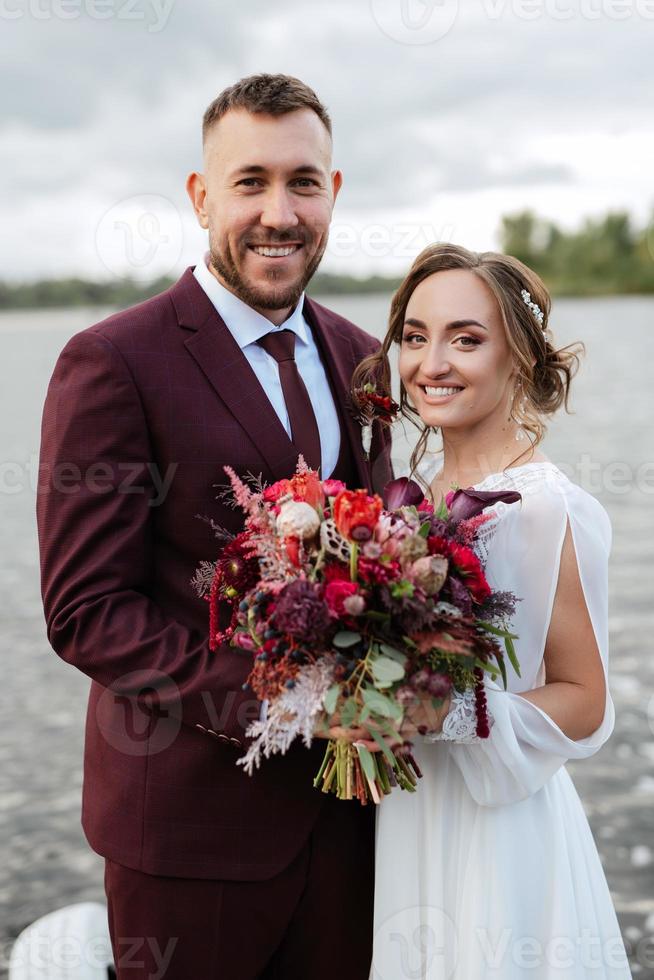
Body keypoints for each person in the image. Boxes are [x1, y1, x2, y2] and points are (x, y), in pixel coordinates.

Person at [36, 74, 392, 980]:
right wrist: (287, 708)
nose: (280, 211)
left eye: (304, 182)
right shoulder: (115, 361)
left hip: (355, 826)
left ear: (334, 192)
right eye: (251, 182)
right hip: (190, 837)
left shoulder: (365, 359)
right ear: (201, 196)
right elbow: (88, 611)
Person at [354, 244, 631, 979]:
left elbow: (587, 700)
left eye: (465, 339)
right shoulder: (407, 498)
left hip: (504, 827)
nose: (431, 363)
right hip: (416, 816)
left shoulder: (548, 508)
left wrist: (442, 713)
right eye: (415, 336)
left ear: (518, 358)